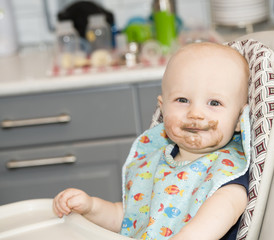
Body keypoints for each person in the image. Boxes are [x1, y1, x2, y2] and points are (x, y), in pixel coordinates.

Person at [53, 42, 250, 240]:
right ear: (163, 108)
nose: (195, 113)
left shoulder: (228, 177)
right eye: (182, 100)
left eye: (214, 103)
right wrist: (91, 207)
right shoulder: (154, 163)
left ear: (239, 119)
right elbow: (128, 220)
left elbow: (212, 222)